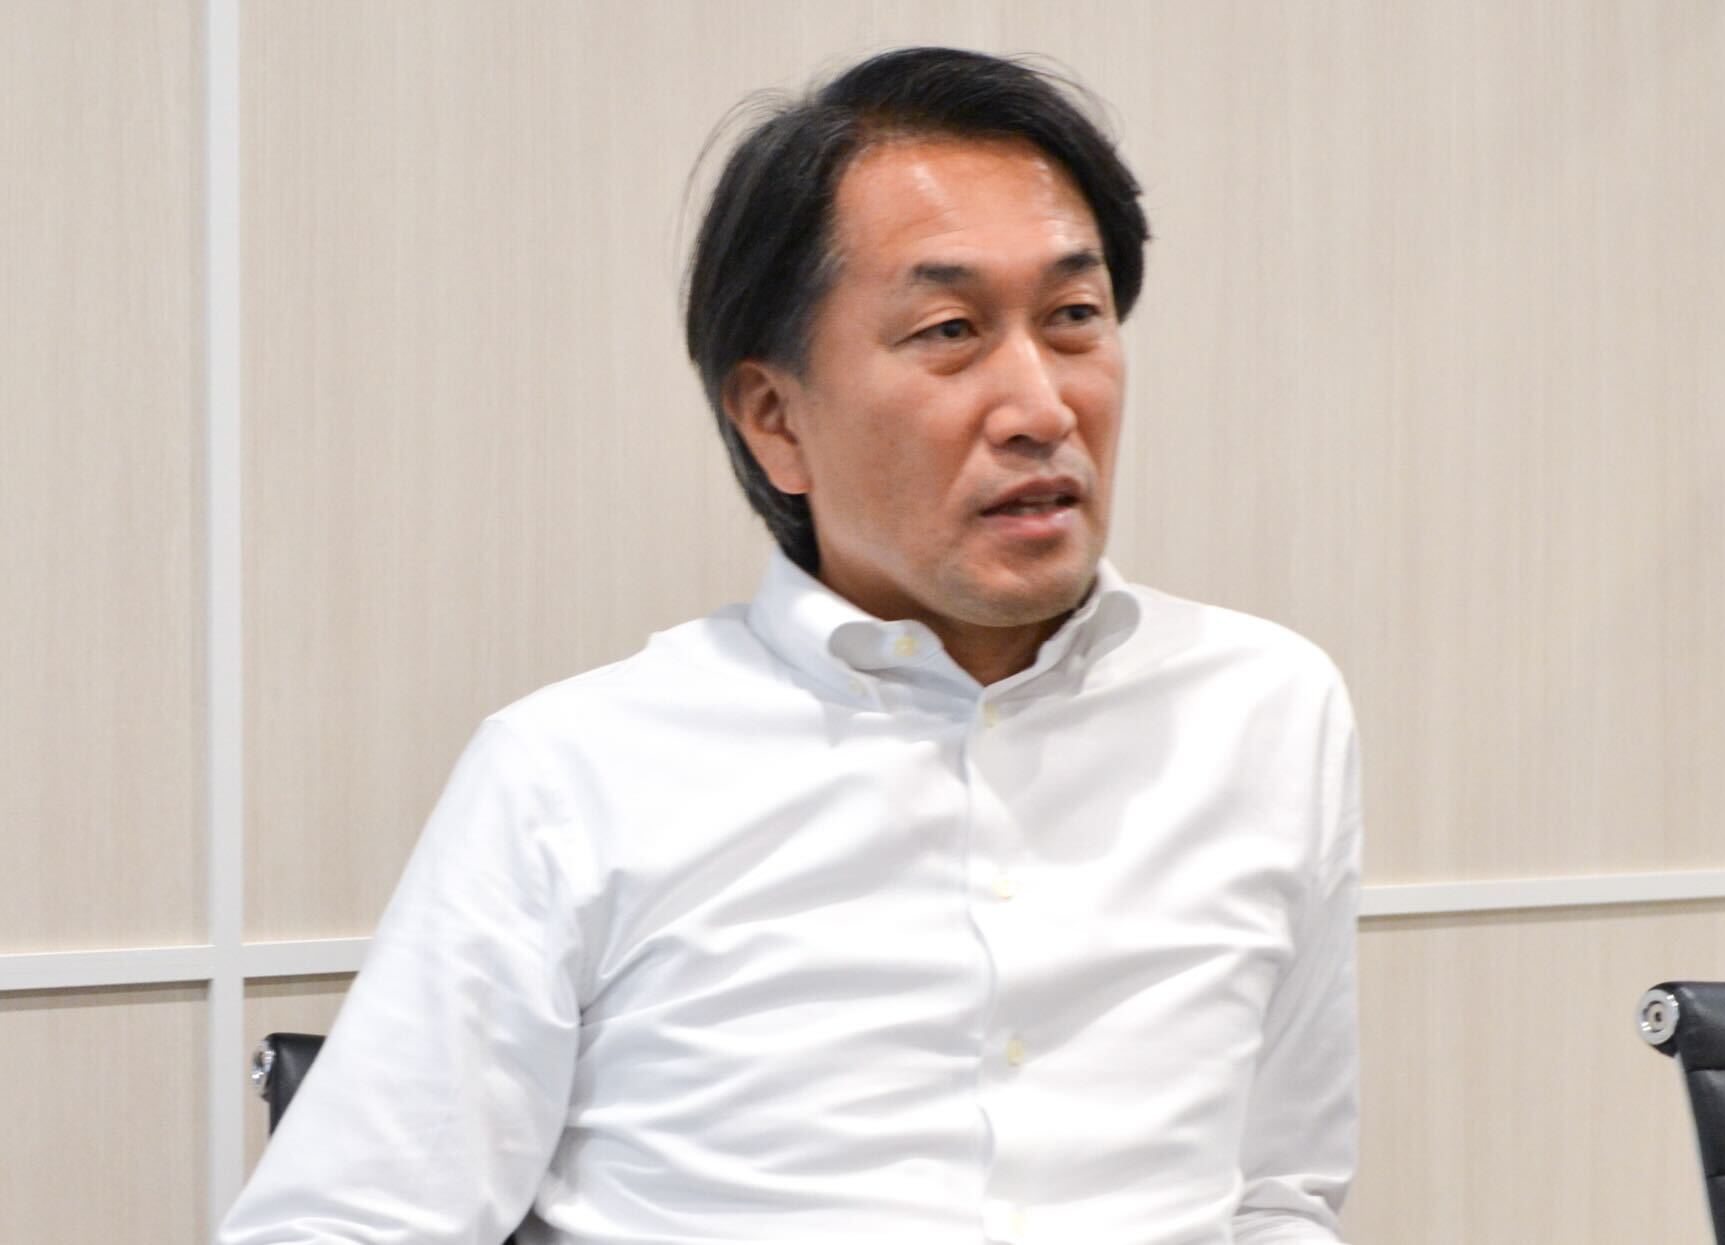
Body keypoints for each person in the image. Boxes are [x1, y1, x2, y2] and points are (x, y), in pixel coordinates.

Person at [219, 46, 1361, 1245]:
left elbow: (1276, 1197)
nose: (1042, 408)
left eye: (1075, 317)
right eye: (951, 330)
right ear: (776, 420)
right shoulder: (575, 771)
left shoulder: (1267, 709)